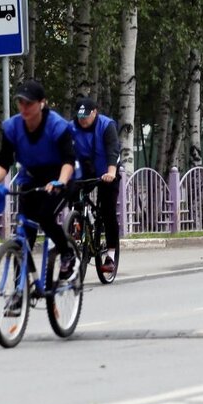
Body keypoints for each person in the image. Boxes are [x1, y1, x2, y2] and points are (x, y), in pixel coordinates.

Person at [0, 79, 78, 312]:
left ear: (42, 103)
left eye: (29, 103)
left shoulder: (58, 126)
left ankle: (68, 254)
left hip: (59, 178)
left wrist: (59, 181)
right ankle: (19, 292)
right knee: (23, 235)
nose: (24, 108)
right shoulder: (12, 127)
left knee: (45, 217)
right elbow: (3, 161)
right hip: (31, 179)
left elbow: (68, 161)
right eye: (20, 102)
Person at [71, 96, 121, 273]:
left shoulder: (107, 126)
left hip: (107, 170)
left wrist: (112, 173)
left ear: (95, 112)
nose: (82, 120)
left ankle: (111, 256)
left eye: (86, 116)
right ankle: (77, 225)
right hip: (85, 171)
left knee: (108, 212)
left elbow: (113, 150)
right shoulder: (72, 128)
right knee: (71, 191)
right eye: (80, 116)